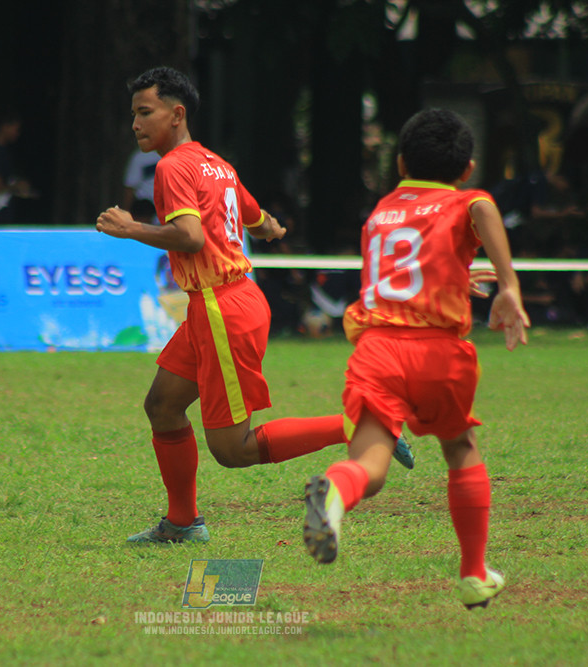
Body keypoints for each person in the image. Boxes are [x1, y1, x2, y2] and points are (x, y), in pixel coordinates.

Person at [96, 67, 413, 544]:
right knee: (162, 406)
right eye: (134, 114)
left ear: (176, 114)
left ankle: (362, 424)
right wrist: (271, 227)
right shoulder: (214, 164)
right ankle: (183, 523)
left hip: (224, 310)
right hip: (220, 305)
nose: (136, 124)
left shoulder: (172, 167)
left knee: (233, 449)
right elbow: (253, 213)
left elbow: (189, 235)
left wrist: (131, 228)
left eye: (145, 112)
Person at [301, 109, 530, 611]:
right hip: (438, 353)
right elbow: (482, 210)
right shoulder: (469, 197)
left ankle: (335, 495)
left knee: (368, 464)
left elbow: (400, 269)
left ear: (401, 163)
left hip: (377, 349)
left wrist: (449, 276)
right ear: (467, 168)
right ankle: (473, 574)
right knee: (461, 448)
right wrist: (509, 287)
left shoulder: (380, 211)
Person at [122, 147, 160, 215]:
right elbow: (130, 187)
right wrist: (126, 214)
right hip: (145, 214)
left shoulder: (179, 155)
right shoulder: (140, 157)